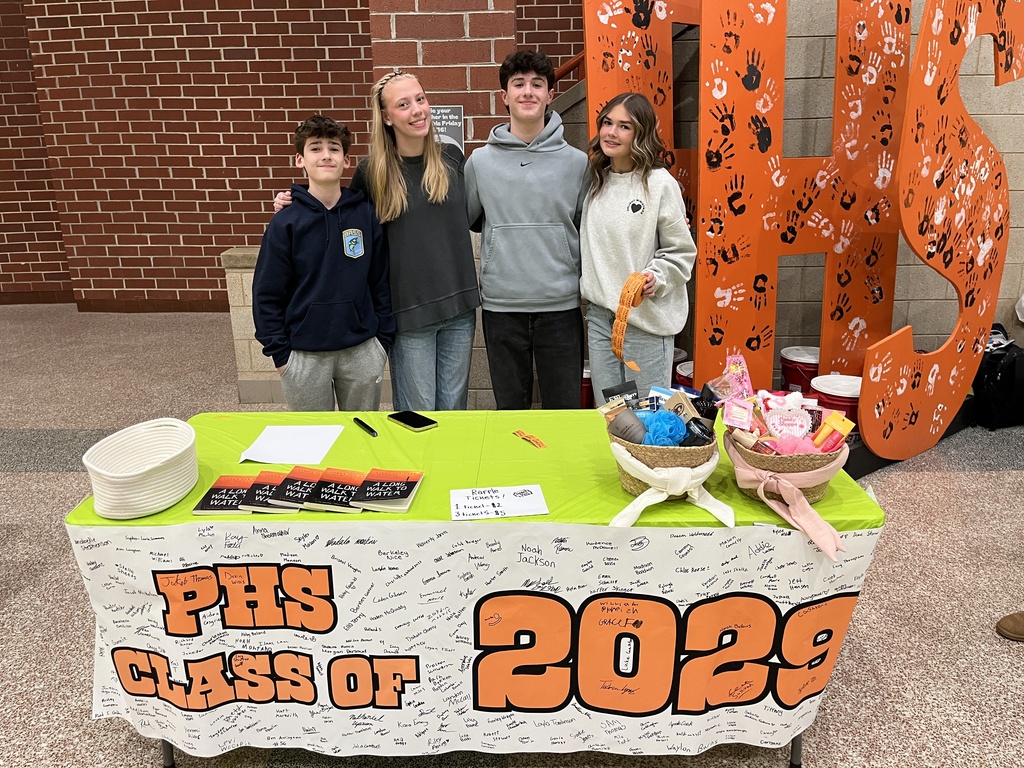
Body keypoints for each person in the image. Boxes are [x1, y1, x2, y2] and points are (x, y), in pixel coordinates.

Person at [275, 72, 480, 411]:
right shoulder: (372, 172)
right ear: (386, 117)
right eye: (404, 104)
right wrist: (294, 201)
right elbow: (337, 214)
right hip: (410, 315)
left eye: (420, 99)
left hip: (460, 309)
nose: (417, 110)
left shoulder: (452, 157)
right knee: (418, 417)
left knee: (454, 413)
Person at [465, 49, 588, 410]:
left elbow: (585, 227)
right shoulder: (480, 163)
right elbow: (471, 219)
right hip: (502, 307)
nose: (528, 92)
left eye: (537, 84)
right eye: (518, 84)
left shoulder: (577, 163)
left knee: (563, 412)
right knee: (510, 414)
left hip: (561, 306)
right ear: (504, 96)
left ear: (550, 95)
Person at [253, 115, 395, 412]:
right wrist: (281, 356)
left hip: (361, 350)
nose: (326, 155)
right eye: (315, 148)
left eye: (334, 148)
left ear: (346, 160)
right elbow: (267, 293)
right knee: (314, 435)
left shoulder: (365, 216)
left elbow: (380, 281)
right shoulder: (286, 222)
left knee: (361, 432)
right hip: (303, 355)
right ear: (300, 160)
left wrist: (381, 342)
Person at [579, 92, 696, 405]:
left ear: (640, 133)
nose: (611, 132)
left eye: (624, 126)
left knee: (647, 413)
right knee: (613, 414)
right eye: (607, 123)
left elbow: (680, 251)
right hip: (602, 321)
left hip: (645, 322)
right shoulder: (596, 181)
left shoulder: (660, 184)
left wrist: (656, 277)